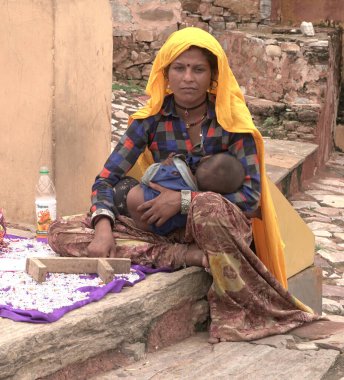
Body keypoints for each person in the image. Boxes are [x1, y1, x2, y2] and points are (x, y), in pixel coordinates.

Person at [48, 27, 319, 342]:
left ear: (213, 75)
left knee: (207, 206)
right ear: (166, 73)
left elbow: (251, 199)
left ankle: (230, 302)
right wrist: (104, 228)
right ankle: (184, 256)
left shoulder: (231, 123)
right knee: (61, 232)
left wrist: (184, 200)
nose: (188, 77)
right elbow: (106, 180)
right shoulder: (150, 120)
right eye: (179, 68)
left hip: (218, 227)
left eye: (198, 69)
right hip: (162, 227)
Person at [126, 152, 245, 235]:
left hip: (134, 198)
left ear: (204, 159)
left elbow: (150, 174)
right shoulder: (196, 202)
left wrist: (158, 168)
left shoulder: (176, 169)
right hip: (153, 226)